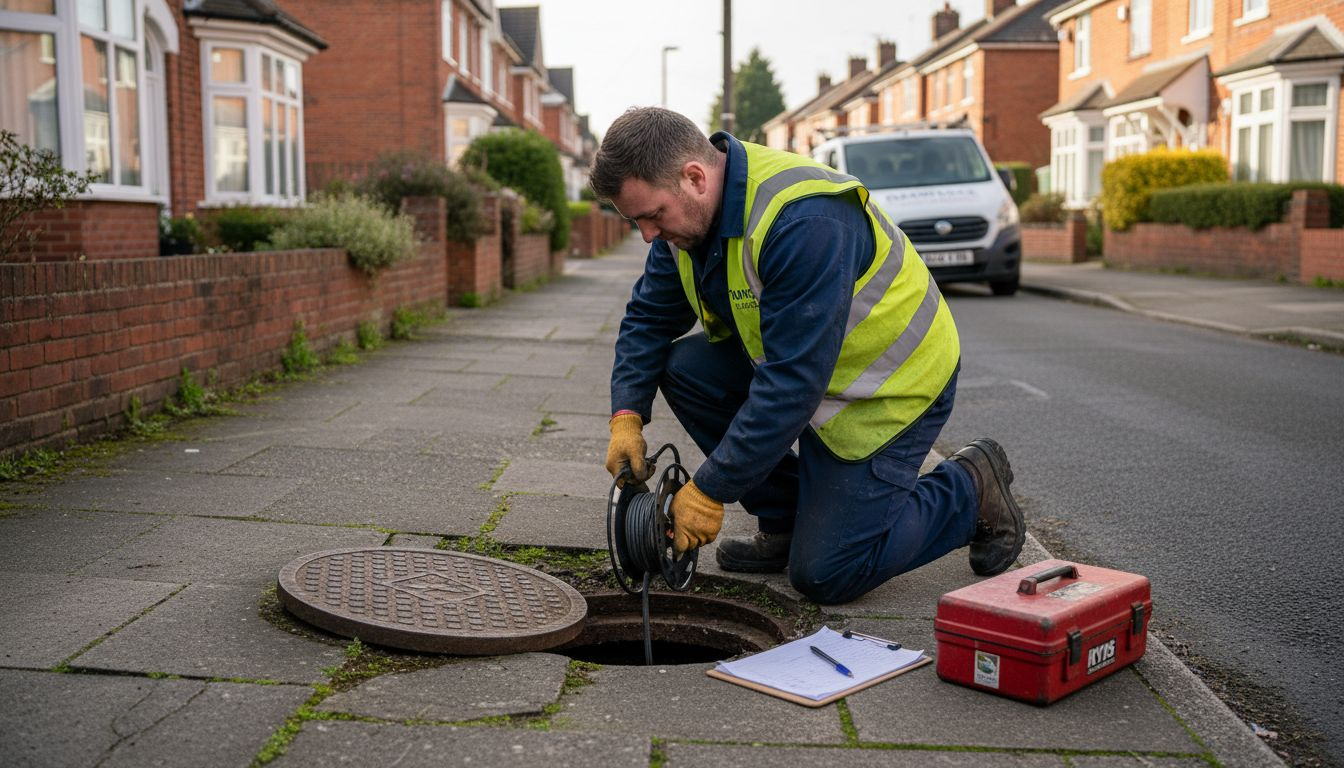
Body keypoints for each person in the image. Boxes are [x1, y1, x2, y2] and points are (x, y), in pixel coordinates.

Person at [590, 107, 1023, 605]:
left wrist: (710, 490)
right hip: (809, 376)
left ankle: (970, 488)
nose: (647, 235)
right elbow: (648, 318)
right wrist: (626, 416)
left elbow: (792, 385)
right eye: (637, 221)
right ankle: (788, 520)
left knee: (827, 573)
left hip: (888, 388)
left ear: (694, 177)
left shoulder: (805, 219)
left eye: (652, 216)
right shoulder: (686, 223)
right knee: (686, 370)